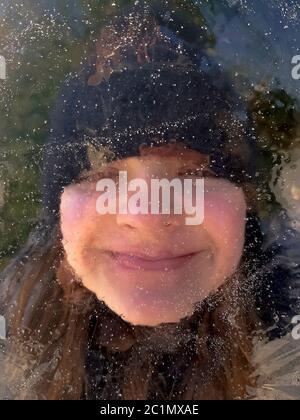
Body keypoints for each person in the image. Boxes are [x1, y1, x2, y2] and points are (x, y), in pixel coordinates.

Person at [0, 2, 299, 400]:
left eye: (195, 175)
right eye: (105, 176)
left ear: (246, 201)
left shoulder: (286, 307)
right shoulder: (13, 326)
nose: (149, 215)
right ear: (58, 214)